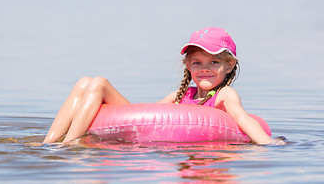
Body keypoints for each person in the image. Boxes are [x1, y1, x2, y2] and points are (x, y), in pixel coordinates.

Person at [44, 27, 285, 145]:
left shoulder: (225, 95)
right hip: (159, 136)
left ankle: (69, 145)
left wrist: (267, 143)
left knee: (98, 83)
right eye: (197, 62)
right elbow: (145, 115)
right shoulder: (181, 95)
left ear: (230, 65)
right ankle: (49, 143)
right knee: (89, 83)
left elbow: (242, 119)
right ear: (188, 66)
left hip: (200, 143)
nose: (205, 68)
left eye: (214, 62)